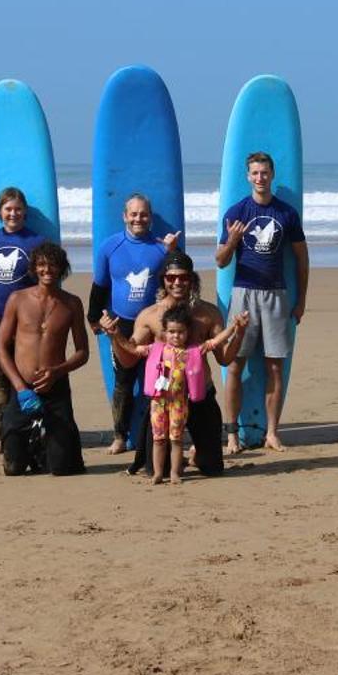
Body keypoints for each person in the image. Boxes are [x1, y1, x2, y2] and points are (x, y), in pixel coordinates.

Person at [214, 152, 309, 453]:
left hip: (277, 295)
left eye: (264, 173)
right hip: (243, 293)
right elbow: (220, 261)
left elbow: (302, 259)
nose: (260, 178)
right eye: (254, 173)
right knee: (235, 365)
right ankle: (232, 434)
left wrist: (301, 300)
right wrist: (232, 240)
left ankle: (272, 433)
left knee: (275, 369)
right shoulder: (237, 211)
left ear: (272, 174)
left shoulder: (286, 214)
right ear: (247, 176)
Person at [88, 194, 180, 454]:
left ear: (150, 217)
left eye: (144, 214)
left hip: (156, 325)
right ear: (124, 216)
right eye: (134, 214)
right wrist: (94, 318)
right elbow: (100, 285)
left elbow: (180, 278)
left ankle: (163, 432)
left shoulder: (161, 247)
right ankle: (120, 435)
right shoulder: (109, 247)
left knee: (161, 379)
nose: (139, 218)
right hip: (123, 324)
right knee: (124, 381)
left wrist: (173, 251)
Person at [129, 252, 229, 477]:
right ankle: (173, 460)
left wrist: (238, 333)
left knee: (212, 468)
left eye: (183, 277)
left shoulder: (208, 313)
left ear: (192, 279)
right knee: (157, 471)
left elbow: (225, 359)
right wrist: (114, 336)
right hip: (164, 397)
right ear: (163, 279)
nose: (177, 283)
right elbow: (129, 357)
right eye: (171, 277)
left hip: (199, 395)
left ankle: (195, 454)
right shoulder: (150, 316)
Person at [0, 242, 90, 476]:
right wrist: (19, 387)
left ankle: (46, 449)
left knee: (63, 468)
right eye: (42, 265)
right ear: (34, 268)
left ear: (61, 269)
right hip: (23, 387)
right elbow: (0, 348)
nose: (47, 270)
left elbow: (82, 352)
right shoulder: (18, 299)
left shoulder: (71, 303)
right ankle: (32, 445)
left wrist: (57, 371)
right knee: (14, 468)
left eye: (53, 265)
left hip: (55, 386)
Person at [0, 187, 44, 457]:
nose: (12, 213)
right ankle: (3, 437)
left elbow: (45, 284)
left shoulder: (37, 242)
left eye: (17, 209)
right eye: (7, 209)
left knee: (28, 376)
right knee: (0, 380)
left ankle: (31, 435)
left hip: (27, 322)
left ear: (24, 211)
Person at [145, 305, 249, 485]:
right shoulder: (156, 349)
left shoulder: (192, 352)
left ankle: (175, 473)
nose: (176, 336)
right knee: (158, 439)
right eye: (171, 332)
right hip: (158, 403)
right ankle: (158, 473)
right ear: (164, 332)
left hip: (179, 403)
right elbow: (133, 349)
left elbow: (215, 342)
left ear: (188, 332)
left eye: (180, 332)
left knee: (176, 439)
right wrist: (114, 334)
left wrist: (234, 328)